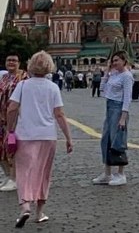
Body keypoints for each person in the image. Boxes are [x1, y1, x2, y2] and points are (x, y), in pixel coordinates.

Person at [6, 51, 73, 227]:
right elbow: (59, 114)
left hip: (26, 135)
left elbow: (12, 108)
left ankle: (25, 206)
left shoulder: (23, 85)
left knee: (24, 172)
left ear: (30, 65)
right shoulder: (53, 87)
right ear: (49, 67)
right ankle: (40, 212)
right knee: (44, 173)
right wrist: (68, 137)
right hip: (48, 136)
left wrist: (9, 130)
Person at [92, 51, 134, 186]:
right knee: (106, 140)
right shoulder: (114, 74)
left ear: (124, 61)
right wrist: (106, 74)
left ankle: (121, 174)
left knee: (118, 141)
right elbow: (102, 89)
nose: (114, 63)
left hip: (119, 109)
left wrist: (123, 117)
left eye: (117, 60)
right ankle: (107, 173)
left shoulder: (127, 76)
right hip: (109, 108)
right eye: (113, 61)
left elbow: (127, 98)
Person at [0, 53, 29, 192]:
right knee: (2, 149)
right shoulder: (4, 77)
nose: (11, 62)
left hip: (17, 118)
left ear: (19, 63)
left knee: (13, 148)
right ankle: (8, 176)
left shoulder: (24, 77)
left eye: (14, 60)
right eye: (8, 60)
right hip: (2, 118)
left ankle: (14, 178)